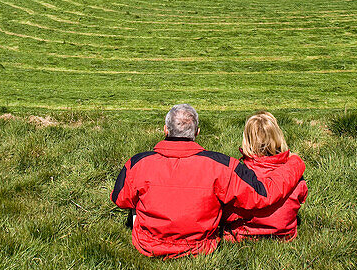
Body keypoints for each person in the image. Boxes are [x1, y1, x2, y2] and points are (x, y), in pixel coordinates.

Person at [111, 103, 306, 258]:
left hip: (148, 244)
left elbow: (119, 199)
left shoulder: (137, 163)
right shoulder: (223, 166)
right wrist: (294, 163)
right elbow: (262, 194)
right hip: (200, 246)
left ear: (165, 130)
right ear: (197, 132)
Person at [221, 111, 308, 242]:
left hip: (244, 235)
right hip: (284, 234)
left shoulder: (239, 175)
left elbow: (230, 211)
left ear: (247, 140)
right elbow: (301, 196)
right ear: (278, 136)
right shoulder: (293, 172)